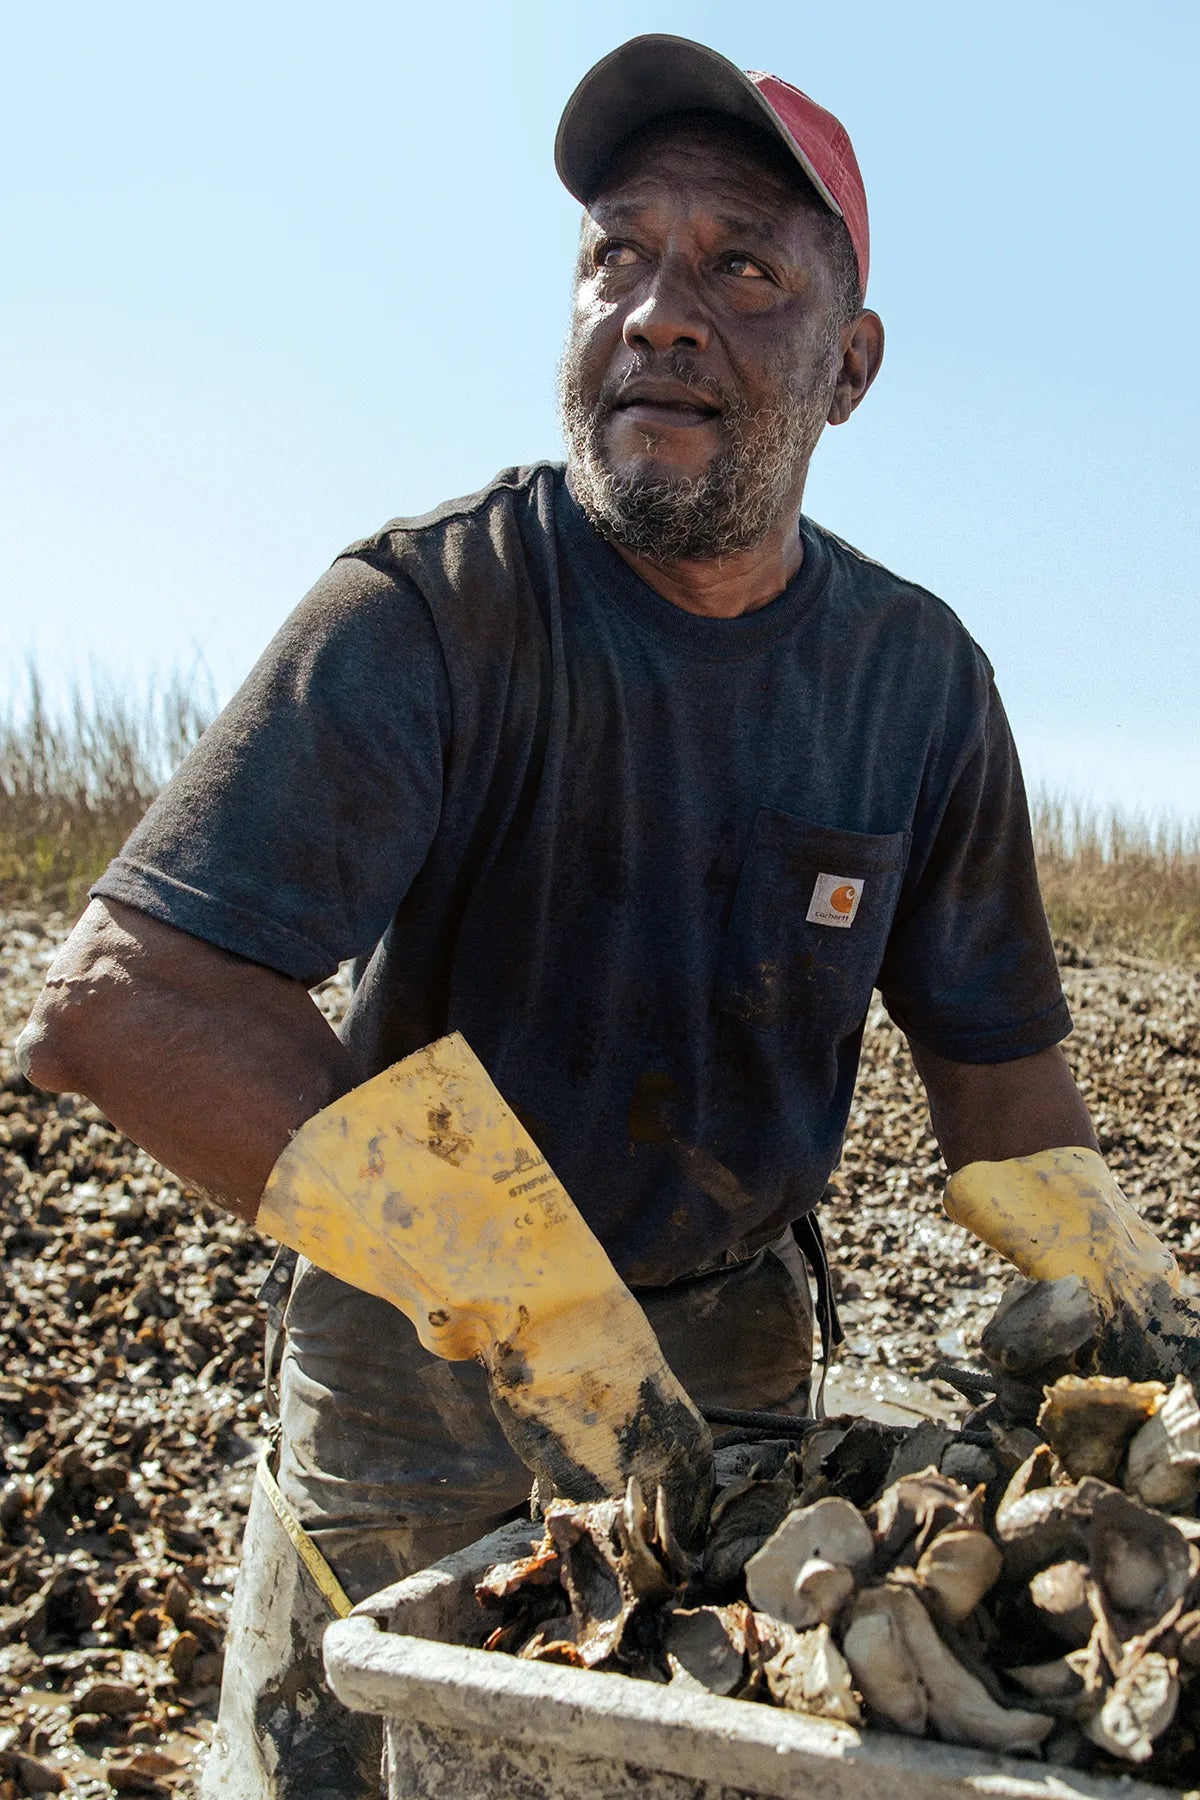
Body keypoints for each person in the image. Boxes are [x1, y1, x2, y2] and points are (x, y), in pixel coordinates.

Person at [16, 32, 1193, 1800]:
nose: (659, 308)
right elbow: (126, 995)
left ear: (849, 365)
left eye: (741, 264)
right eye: (616, 254)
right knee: (354, 1753)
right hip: (421, 1366)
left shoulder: (917, 685)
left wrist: (1145, 1344)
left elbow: (1004, 1079)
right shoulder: (431, 612)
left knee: (691, 1747)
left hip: (737, 1361)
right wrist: (528, 1300)